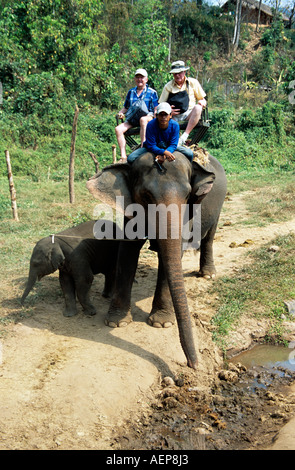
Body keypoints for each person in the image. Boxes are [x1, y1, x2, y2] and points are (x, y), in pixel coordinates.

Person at [127, 102, 193, 164]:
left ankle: (192, 171)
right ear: (157, 115)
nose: (163, 117)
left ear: (170, 115)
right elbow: (151, 145)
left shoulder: (175, 125)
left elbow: (173, 144)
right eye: (161, 115)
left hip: (169, 146)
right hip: (152, 147)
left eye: (165, 115)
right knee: (130, 158)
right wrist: (164, 152)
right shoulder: (151, 124)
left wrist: (165, 155)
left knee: (189, 153)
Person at [115, 68, 159, 163]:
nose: (139, 79)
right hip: (133, 119)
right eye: (137, 77)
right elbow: (126, 107)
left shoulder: (152, 92)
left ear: (146, 79)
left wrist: (156, 117)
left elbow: (156, 108)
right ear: (135, 79)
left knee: (143, 119)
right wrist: (121, 113)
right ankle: (123, 156)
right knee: (118, 129)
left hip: (147, 118)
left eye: (142, 77)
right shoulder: (131, 92)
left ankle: (143, 147)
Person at [159, 60, 207, 146]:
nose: (177, 75)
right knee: (163, 117)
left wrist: (202, 102)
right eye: (175, 73)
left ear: (184, 72)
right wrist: (169, 112)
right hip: (173, 116)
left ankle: (185, 135)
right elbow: (161, 105)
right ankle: (172, 141)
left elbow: (203, 99)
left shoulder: (193, 82)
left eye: (180, 72)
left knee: (198, 108)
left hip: (189, 114)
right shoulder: (168, 86)